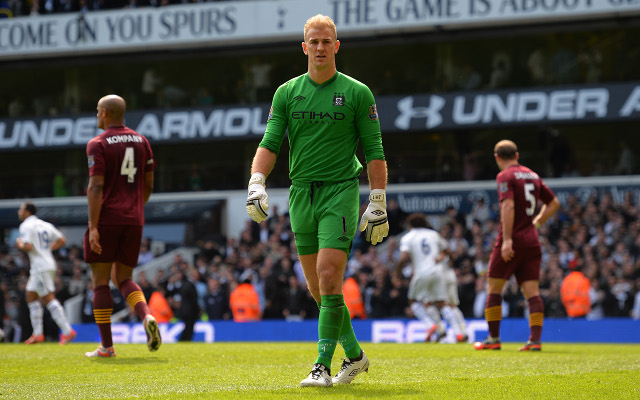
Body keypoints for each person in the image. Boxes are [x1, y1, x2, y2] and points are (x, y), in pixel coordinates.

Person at [245, 14, 388, 387]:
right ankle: (355, 357)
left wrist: (377, 200)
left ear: (336, 46)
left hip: (339, 191)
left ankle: (321, 366)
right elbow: (270, 142)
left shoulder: (358, 92)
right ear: (304, 47)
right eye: (314, 41)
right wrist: (257, 182)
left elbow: (374, 149)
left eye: (327, 41)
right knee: (319, 290)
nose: (321, 47)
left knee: (328, 275)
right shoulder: (286, 92)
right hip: (300, 193)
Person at [83, 94, 161, 357]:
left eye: (97, 111)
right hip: (134, 218)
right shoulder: (142, 141)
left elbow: (95, 186)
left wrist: (94, 226)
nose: (96, 115)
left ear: (105, 112)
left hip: (107, 218)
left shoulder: (98, 143)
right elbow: (149, 184)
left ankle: (107, 347)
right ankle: (147, 316)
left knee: (101, 282)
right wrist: (136, 207)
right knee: (124, 278)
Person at [474, 140, 559, 352]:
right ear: (517, 155)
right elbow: (554, 203)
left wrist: (508, 239)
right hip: (532, 241)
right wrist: (536, 223)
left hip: (511, 239)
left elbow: (509, 205)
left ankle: (493, 339)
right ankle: (535, 341)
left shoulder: (505, 176)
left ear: (497, 158)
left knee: (494, 287)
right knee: (532, 292)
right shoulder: (533, 175)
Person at [15, 202, 76, 345]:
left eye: (21, 209)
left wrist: (19, 245)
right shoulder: (45, 224)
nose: (19, 212)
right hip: (45, 264)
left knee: (48, 298)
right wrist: (47, 250)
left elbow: (28, 246)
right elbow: (62, 239)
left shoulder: (26, 225)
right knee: (30, 295)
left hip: (40, 267)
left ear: (27, 212)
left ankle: (68, 331)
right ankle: (37, 334)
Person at [394, 213, 450, 343]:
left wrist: (396, 274)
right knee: (439, 303)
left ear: (410, 225)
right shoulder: (434, 234)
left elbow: (402, 259)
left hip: (422, 273)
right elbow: (447, 250)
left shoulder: (408, 237)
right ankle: (450, 331)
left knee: (413, 301)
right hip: (438, 272)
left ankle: (431, 325)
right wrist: (450, 261)